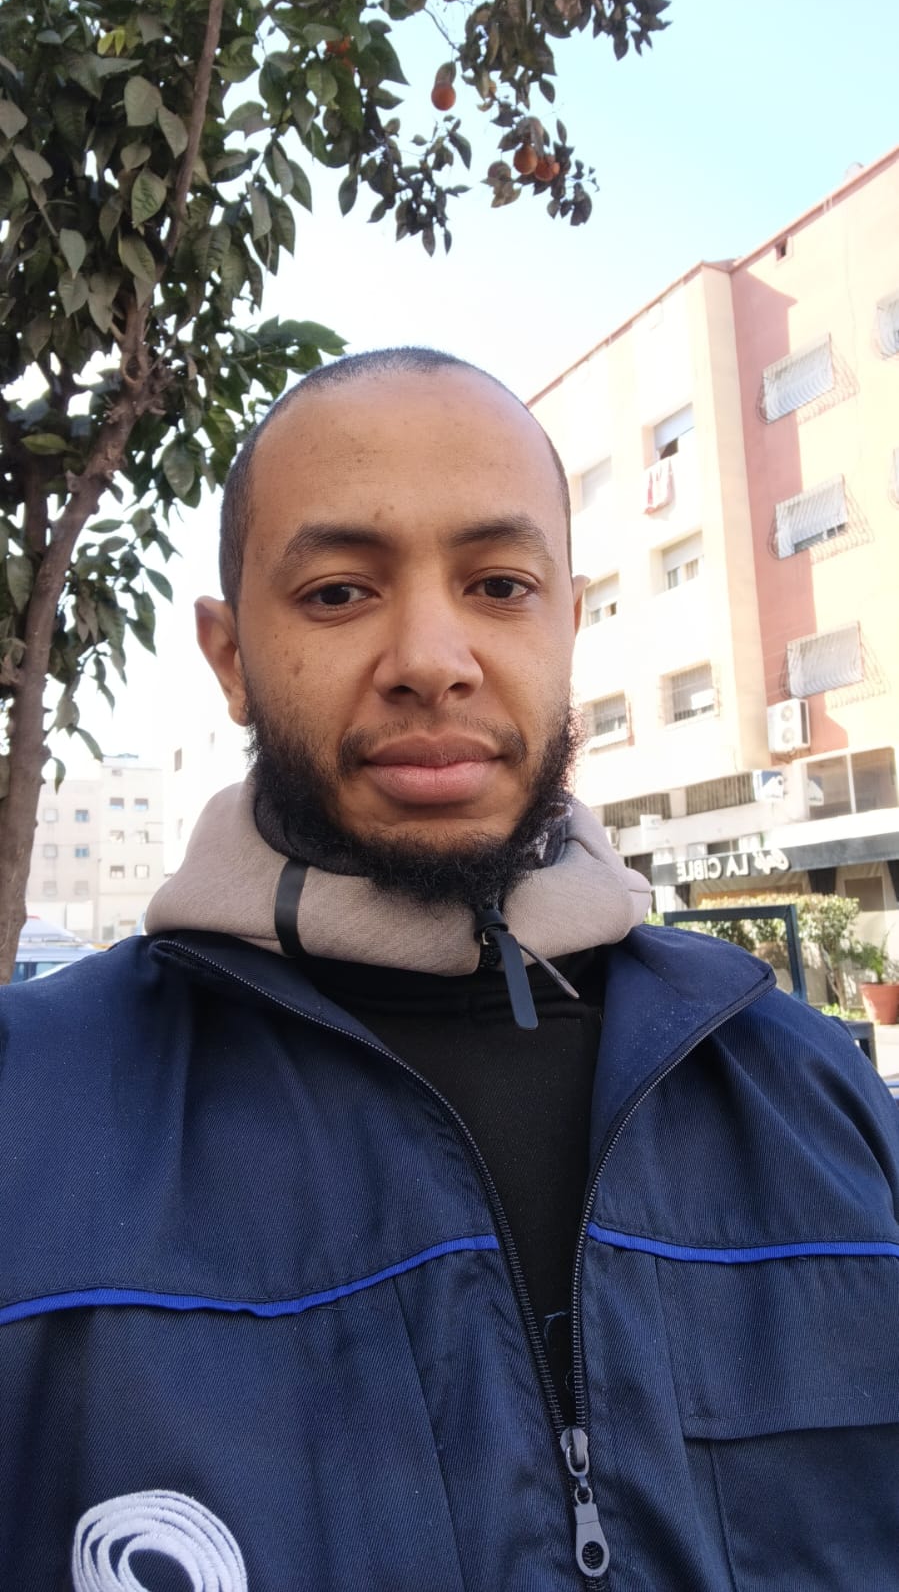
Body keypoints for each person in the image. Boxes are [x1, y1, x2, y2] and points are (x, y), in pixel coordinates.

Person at [1, 348, 897, 1592]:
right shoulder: (31, 1108)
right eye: (336, 592)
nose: (432, 657)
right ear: (229, 656)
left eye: (497, 585)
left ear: (568, 622)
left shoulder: (800, 1084)